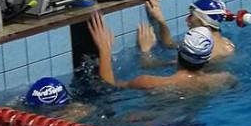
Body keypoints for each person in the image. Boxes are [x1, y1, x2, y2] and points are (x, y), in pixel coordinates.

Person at [87, 12, 235, 91]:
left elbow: (108, 88)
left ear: (180, 51)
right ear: (207, 57)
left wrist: (105, 50)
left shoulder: (149, 82)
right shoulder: (224, 79)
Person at [145, 0, 235, 61]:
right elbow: (170, 44)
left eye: (191, 15)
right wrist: (161, 21)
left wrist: (145, 51)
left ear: (202, 21)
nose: (187, 19)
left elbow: (152, 66)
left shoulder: (200, 52)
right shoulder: (227, 44)